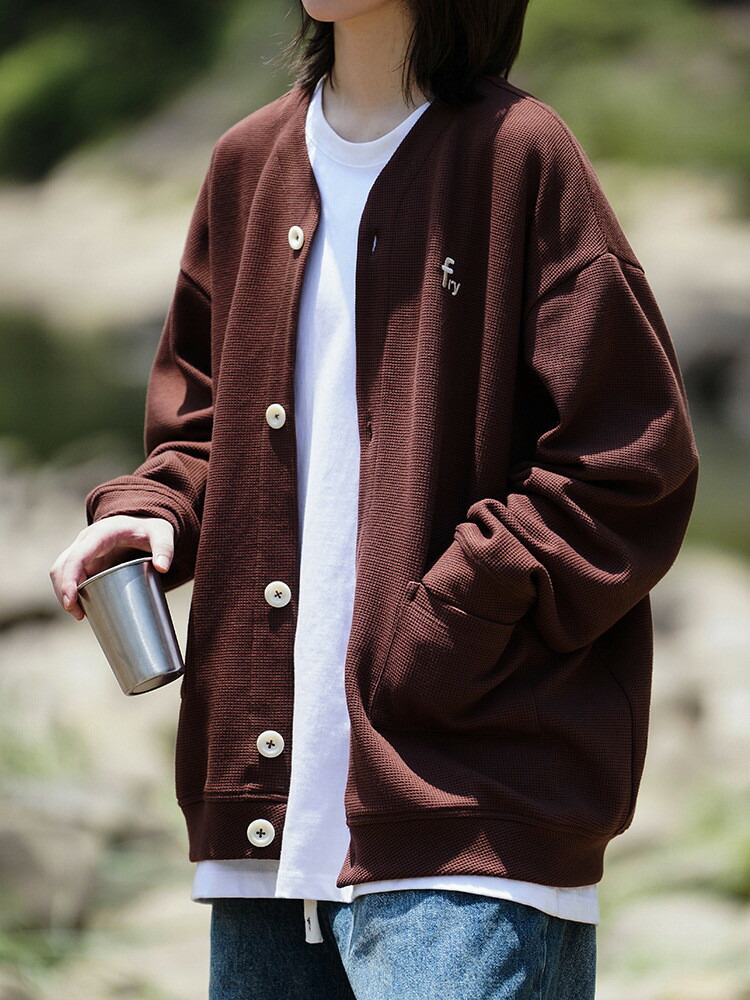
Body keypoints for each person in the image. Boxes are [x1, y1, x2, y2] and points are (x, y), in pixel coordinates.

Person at [49, 1, 701, 997]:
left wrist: (448, 622)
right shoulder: (246, 164)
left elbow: (629, 459)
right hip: (265, 831)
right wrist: (154, 509)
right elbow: (204, 427)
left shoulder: (519, 155)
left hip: (474, 813)